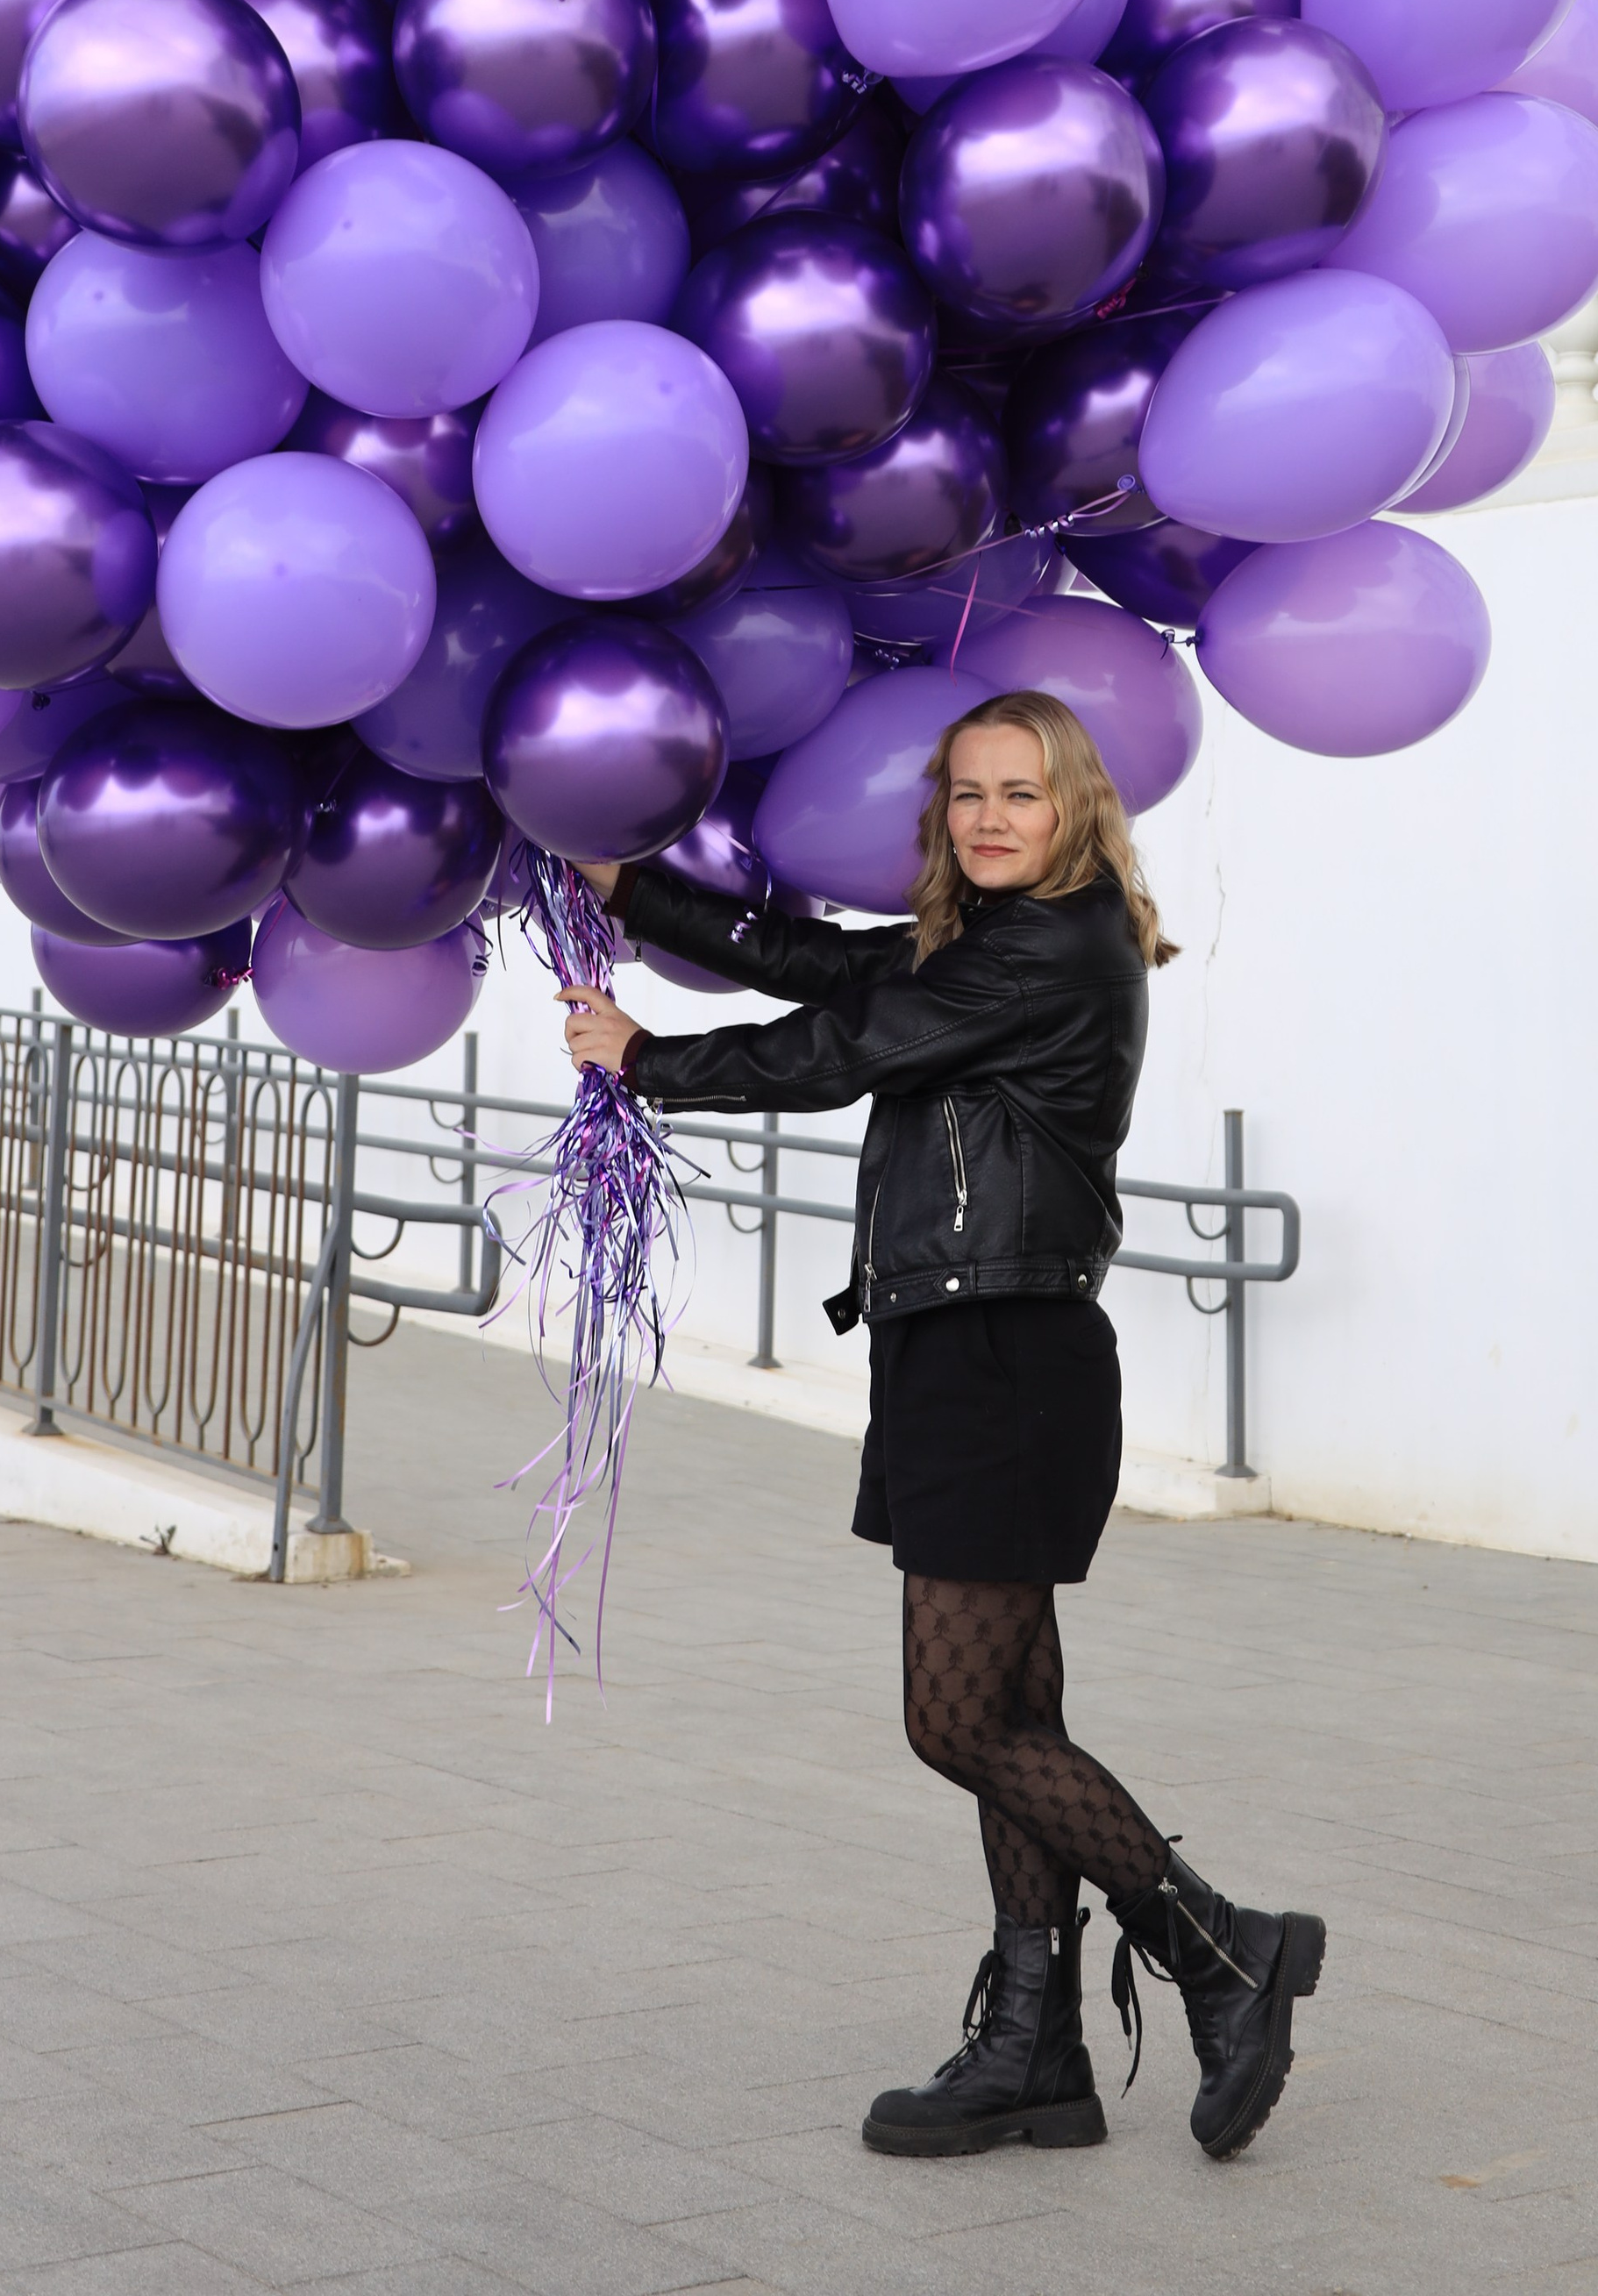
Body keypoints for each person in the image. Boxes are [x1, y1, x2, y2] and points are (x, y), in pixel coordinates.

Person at [559, 687, 1323, 2164]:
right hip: (956, 1344)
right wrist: (632, 891)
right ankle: (1034, 2047)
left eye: (1020, 794)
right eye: (966, 793)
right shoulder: (985, 938)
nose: (987, 817)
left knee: (956, 1719)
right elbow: (822, 964)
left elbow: (840, 1049)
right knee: (1013, 1720)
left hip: (1005, 1359)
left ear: (1078, 810)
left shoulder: (1063, 943)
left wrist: (651, 1062)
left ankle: (1225, 1949)